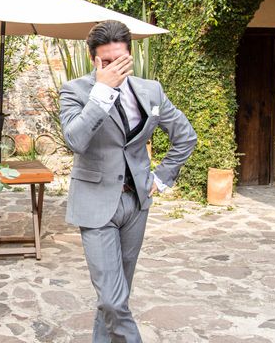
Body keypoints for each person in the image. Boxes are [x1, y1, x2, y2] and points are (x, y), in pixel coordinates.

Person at [59, 20, 197, 343]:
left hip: (136, 204)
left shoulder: (151, 91)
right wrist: (103, 91)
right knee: (112, 299)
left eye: (120, 60)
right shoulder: (75, 91)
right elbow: (74, 140)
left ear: (130, 56)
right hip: (95, 204)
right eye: (106, 61)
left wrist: (161, 178)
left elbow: (185, 137)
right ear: (94, 59)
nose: (114, 66)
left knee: (115, 299)